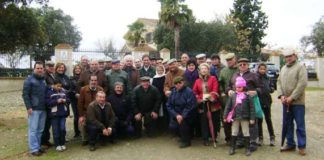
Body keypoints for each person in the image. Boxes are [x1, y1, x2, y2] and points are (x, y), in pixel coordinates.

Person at [227, 58, 262, 151]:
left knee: (251, 122)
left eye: (244, 64)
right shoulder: (234, 75)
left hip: (249, 101)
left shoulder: (253, 75)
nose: (242, 66)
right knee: (239, 121)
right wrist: (229, 90)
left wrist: (255, 91)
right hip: (237, 103)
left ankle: (253, 142)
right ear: (238, 65)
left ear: (248, 65)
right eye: (241, 64)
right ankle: (240, 141)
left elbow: (260, 88)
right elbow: (229, 86)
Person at [277, 49, 307, 156]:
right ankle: (290, 144)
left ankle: (302, 146)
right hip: (286, 102)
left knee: (300, 125)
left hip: (298, 103)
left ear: (295, 56)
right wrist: (281, 95)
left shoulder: (300, 67)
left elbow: (302, 84)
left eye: (290, 56)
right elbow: (279, 82)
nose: (288, 58)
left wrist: (292, 97)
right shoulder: (283, 68)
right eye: (286, 56)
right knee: (288, 124)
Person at [223, 77, 255, 156]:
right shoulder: (233, 96)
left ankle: (247, 148)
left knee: (246, 132)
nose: (238, 88)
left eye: (240, 87)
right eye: (237, 87)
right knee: (234, 132)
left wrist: (252, 118)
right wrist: (225, 116)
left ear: (243, 87)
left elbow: (252, 108)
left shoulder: (248, 96)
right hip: (235, 117)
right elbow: (228, 106)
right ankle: (232, 147)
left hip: (245, 117)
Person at [22, 61, 47, 156]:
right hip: (34, 109)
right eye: (38, 68)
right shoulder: (29, 80)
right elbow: (25, 95)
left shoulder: (43, 80)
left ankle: (38, 146)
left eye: (41, 68)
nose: (40, 70)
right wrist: (28, 107)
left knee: (40, 130)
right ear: (34, 69)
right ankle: (33, 149)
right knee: (33, 130)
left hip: (43, 108)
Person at [193, 63, 221, 146]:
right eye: (202, 69)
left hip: (212, 103)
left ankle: (213, 137)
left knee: (214, 120)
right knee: (204, 121)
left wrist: (210, 97)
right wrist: (199, 98)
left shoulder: (213, 78)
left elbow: (215, 89)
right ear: (200, 71)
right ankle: (205, 138)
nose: (204, 70)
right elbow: (194, 92)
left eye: (205, 68)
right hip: (202, 104)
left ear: (208, 70)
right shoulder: (197, 81)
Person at [166, 76, 196, 148]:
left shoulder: (189, 91)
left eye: (180, 83)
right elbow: (168, 105)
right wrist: (176, 115)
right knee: (172, 126)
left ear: (183, 82)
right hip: (176, 113)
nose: (178, 85)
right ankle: (182, 136)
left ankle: (186, 141)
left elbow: (190, 106)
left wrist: (182, 116)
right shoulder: (173, 91)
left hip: (188, 114)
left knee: (183, 123)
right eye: (176, 83)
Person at [78, 75, 104, 145]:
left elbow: (103, 101)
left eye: (95, 80)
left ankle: (101, 137)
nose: (93, 82)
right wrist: (81, 116)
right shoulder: (83, 89)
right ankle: (84, 139)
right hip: (86, 112)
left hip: (97, 112)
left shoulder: (100, 89)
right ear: (89, 81)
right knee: (81, 123)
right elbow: (80, 103)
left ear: (97, 81)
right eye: (92, 80)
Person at [218, 53, 238, 144]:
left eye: (231, 59)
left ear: (235, 59)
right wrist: (222, 92)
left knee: (238, 118)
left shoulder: (239, 69)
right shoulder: (223, 71)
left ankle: (238, 138)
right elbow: (220, 83)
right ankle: (228, 138)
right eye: (227, 60)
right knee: (226, 118)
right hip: (226, 99)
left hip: (239, 99)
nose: (229, 61)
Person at [46, 82, 70, 152]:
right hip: (54, 115)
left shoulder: (63, 92)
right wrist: (56, 101)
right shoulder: (49, 93)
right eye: (57, 86)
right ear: (53, 85)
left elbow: (68, 100)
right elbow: (47, 103)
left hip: (62, 114)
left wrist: (65, 100)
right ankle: (57, 144)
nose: (59, 87)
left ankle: (62, 143)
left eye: (60, 86)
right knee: (56, 130)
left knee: (62, 129)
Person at [256, 63, 275, 146]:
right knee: (259, 120)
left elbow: (272, 88)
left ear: (266, 70)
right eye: (261, 69)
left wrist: (271, 88)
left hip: (267, 101)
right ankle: (260, 137)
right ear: (258, 69)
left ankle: (272, 137)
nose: (262, 70)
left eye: (264, 69)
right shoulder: (255, 77)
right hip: (258, 101)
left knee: (268, 119)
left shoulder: (268, 78)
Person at [41, 61, 56, 148]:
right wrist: (51, 87)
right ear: (46, 67)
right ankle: (43, 141)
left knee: (48, 122)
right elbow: (44, 87)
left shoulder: (51, 75)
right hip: (47, 101)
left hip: (51, 100)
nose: (51, 67)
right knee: (46, 123)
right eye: (49, 66)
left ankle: (46, 140)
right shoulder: (44, 75)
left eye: (52, 66)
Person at [152, 65, 168, 132]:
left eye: (161, 70)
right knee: (157, 111)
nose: (160, 71)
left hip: (164, 97)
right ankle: (158, 128)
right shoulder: (154, 78)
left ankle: (164, 128)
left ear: (163, 70)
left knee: (164, 112)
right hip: (156, 97)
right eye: (158, 70)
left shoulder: (165, 77)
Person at [70, 64, 82, 138]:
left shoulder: (83, 78)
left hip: (82, 99)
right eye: (76, 69)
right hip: (74, 99)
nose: (77, 70)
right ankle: (76, 132)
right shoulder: (71, 79)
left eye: (79, 68)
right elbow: (70, 89)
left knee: (82, 115)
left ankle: (82, 131)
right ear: (74, 70)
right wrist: (75, 94)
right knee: (76, 116)